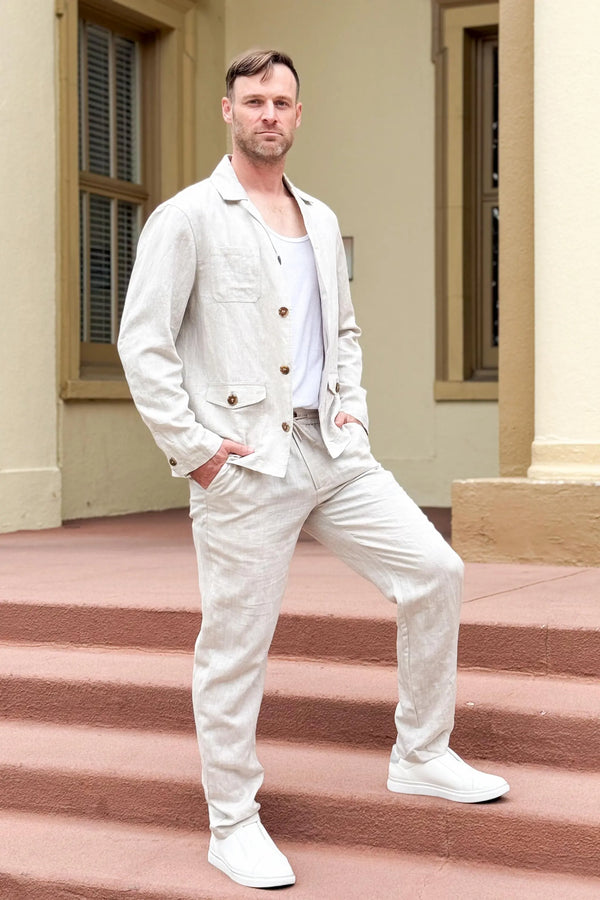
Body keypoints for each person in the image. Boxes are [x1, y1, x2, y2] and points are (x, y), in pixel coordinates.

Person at [118, 49, 509, 891]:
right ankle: (232, 823)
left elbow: (347, 332)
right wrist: (197, 452)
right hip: (245, 460)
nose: (268, 113)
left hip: (331, 449)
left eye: (282, 101)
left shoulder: (321, 220)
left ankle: (422, 753)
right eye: (254, 100)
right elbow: (142, 345)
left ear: (299, 116)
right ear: (228, 111)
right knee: (236, 645)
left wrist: (354, 412)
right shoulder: (188, 219)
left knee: (435, 571)